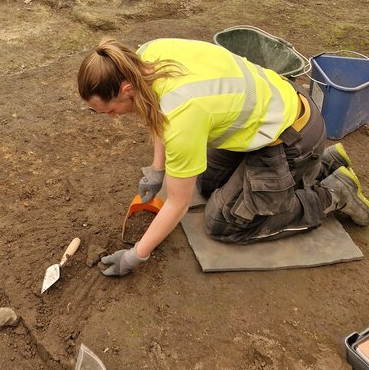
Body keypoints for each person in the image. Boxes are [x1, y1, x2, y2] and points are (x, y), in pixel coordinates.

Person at [78, 37, 369, 277]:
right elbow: (157, 111)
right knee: (205, 182)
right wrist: (157, 170)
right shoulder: (145, 57)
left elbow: (178, 204)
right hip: (272, 110)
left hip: (292, 136)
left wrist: (136, 255)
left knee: (224, 221)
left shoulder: (183, 115)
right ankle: (325, 164)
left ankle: (334, 192)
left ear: (126, 90)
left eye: (111, 110)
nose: (114, 117)